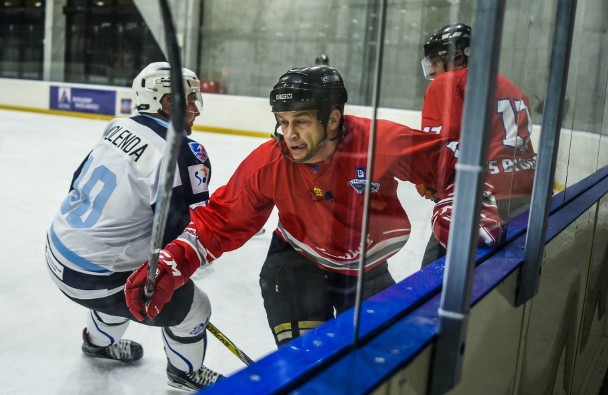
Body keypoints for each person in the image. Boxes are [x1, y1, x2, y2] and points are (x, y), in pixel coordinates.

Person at [124, 65, 504, 348]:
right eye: (283, 122)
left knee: (386, 359)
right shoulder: (269, 163)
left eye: (301, 122)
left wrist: (462, 201)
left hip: (367, 271)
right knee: (312, 364)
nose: (289, 135)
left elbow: (456, 164)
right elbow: (221, 220)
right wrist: (173, 263)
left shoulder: (379, 143)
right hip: (295, 266)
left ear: (334, 118)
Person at [44, 62, 223, 391]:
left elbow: (75, 182)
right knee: (196, 308)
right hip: (97, 277)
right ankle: (185, 374)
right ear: (168, 103)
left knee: (125, 276)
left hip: (57, 254)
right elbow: (184, 230)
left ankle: (97, 343)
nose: (196, 109)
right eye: (191, 100)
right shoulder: (183, 152)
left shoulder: (117, 126)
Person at [417, 23, 537, 266]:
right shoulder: (511, 86)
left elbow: (439, 148)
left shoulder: (447, 83)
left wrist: (429, 181)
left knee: (429, 281)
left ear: (456, 56)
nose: (431, 69)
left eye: (436, 61)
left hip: (480, 201)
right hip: (524, 194)